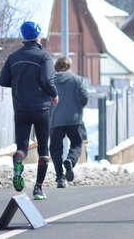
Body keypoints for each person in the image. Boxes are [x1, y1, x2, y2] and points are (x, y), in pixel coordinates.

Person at [0, 21, 59, 200]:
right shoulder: (44, 57)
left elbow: (3, 81)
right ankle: (38, 189)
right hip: (41, 109)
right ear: (38, 36)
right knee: (43, 150)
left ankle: (18, 164)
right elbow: (47, 80)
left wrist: (19, 82)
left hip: (21, 109)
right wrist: (54, 95)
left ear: (23, 37)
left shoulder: (13, 57)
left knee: (22, 147)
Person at [49, 56, 88, 188]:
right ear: (69, 67)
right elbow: (85, 96)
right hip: (74, 119)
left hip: (55, 120)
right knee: (77, 143)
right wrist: (79, 107)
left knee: (55, 149)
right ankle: (70, 161)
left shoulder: (51, 81)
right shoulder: (76, 80)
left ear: (56, 67)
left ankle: (60, 177)